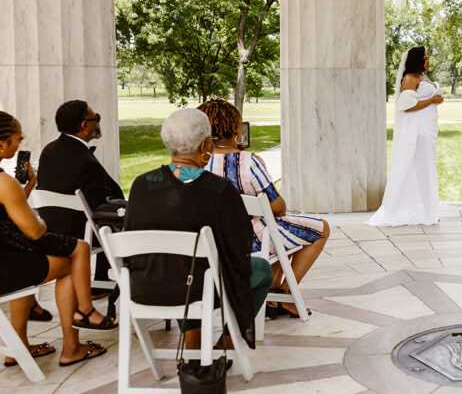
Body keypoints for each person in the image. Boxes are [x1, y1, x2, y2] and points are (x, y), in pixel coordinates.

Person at [123, 109, 272, 350]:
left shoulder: (141, 185)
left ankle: (193, 340)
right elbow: (240, 246)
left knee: (182, 266)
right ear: (205, 145)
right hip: (198, 287)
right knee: (261, 270)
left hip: (144, 286)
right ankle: (226, 343)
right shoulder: (219, 190)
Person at [197, 98, 329, 317]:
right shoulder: (248, 161)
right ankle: (285, 294)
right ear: (235, 129)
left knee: (274, 228)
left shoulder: (194, 162)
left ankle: (270, 294)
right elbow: (278, 207)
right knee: (320, 229)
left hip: (210, 240)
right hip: (251, 241)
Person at [0, 112, 113, 368]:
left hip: (8, 257)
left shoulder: (8, 185)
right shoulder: (3, 182)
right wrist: (40, 220)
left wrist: (28, 189)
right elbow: (35, 231)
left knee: (49, 258)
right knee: (73, 260)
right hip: (6, 267)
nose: (20, 144)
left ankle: (18, 347)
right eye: (17, 139)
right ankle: (73, 344)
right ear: (2, 144)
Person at [367, 46, 444, 227]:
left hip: (428, 128)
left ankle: (426, 209)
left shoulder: (423, 78)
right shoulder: (410, 78)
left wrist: (435, 99)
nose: (428, 61)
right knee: (415, 167)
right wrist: (432, 100)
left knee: (426, 167)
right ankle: (408, 209)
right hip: (417, 129)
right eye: (425, 58)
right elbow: (407, 106)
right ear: (417, 60)